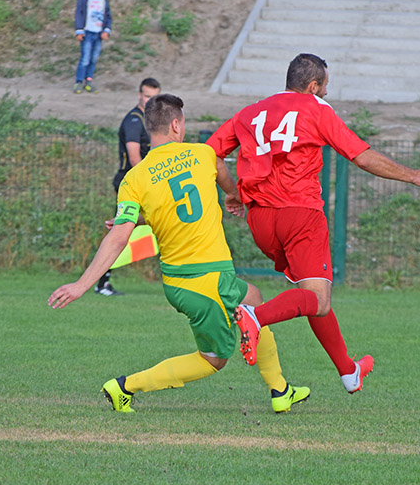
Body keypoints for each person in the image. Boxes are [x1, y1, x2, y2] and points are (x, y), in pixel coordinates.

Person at [48, 94, 310, 414]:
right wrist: (233, 197)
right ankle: (123, 386)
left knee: (254, 300)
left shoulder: (134, 179)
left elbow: (121, 234)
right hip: (206, 278)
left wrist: (89, 275)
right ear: (176, 124)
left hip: (181, 281)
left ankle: (280, 389)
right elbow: (228, 184)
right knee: (214, 360)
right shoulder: (202, 155)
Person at [207, 53, 420, 394]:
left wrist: (233, 192)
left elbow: (211, 153)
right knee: (315, 297)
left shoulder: (251, 111)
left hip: (260, 220)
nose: (326, 94)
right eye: (325, 87)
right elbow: (361, 155)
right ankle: (254, 316)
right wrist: (414, 176)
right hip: (300, 215)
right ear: (313, 85)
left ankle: (349, 371)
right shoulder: (316, 109)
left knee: (316, 294)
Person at [93, 78, 162, 296]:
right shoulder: (134, 120)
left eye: (154, 96)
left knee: (150, 228)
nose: (150, 100)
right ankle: (100, 281)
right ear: (139, 95)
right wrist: (155, 183)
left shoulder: (152, 121)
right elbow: (134, 159)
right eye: (146, 95)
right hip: (130, 185)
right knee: (120, 233)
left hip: (142, 184)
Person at [73, 0, 112, 94]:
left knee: (94, 58)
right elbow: (79, 13)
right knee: (85, 58)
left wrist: (106, 30)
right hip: (87, 33)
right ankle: (79, 82)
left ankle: (88, 81)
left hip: (98, 34)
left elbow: (107, 16)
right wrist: (79, 30)